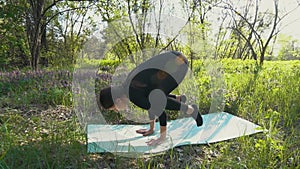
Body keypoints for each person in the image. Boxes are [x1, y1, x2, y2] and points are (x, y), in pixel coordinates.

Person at [99, 51, 203, 146]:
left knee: (158, 99)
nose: (117, 111)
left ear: (118, 101)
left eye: (114, 109)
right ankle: (178, 99)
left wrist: (162, 138)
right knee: (155, 96)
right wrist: (151, 129)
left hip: (178, 64)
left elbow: (162, 114)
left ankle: (191, 110)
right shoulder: (127, 87)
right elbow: (149, 103)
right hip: (176, 58)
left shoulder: (133, 95)